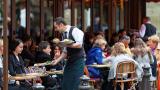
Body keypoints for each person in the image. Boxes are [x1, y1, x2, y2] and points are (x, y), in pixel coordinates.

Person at [52, 17, 85, 90]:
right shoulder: (64, 34)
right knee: (65, 82)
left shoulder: (75, 30)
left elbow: (79, 45)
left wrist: (66, 45)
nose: (56, 30)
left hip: (78, 61)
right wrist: (57, 61)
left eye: (56, 27)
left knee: (75, 83)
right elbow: (65, 52)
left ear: (61, 25)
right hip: (70, 61)